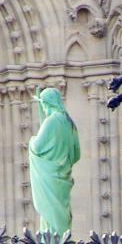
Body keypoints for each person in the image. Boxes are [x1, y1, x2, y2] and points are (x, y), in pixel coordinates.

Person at [27, 88, 81, 235]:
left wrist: (31, 140)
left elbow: (37, 147)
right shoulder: (70, 123)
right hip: (63, 175)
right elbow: (77, 154)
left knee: (49, 215)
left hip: (49, 176)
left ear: (47, 103)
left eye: (43, 105)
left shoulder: (51, 121)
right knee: (60, 213)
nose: (43, 109)